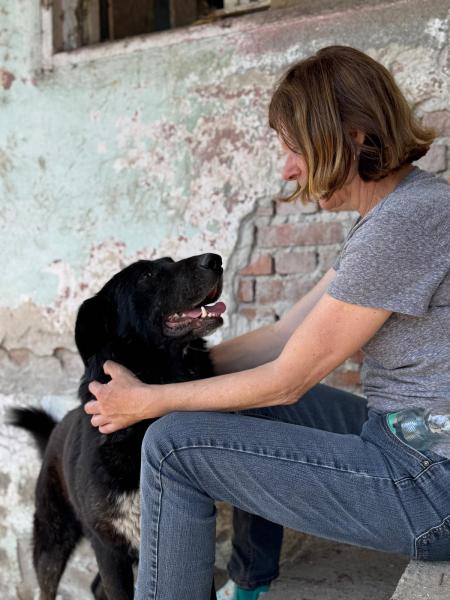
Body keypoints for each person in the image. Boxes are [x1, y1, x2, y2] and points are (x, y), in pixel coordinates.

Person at [84, 46, 450, 600]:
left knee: (171, 446)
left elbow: (288, 379)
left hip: (429, 487)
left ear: (353, 135)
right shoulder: (402, 211)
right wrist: (153, 377)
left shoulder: (403, 224)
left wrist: (148, 402)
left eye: (294, 147)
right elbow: (284, 337)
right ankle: (249, 585)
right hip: (406, 439)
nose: (288, 169)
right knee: (243, 401)